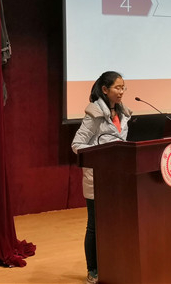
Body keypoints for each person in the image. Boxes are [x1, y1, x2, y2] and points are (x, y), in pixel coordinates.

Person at [71, 71, 131, 284]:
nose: (121, 92)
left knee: (116, 223)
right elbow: (77, 144)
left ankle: (112, 263)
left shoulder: (123, 113)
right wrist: (101, 155)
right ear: (105, 89)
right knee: (95, 226)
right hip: (97, 178)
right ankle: (93, 270)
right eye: (117, 87)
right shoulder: (94, 114)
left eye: (123, 87)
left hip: (118, 178)